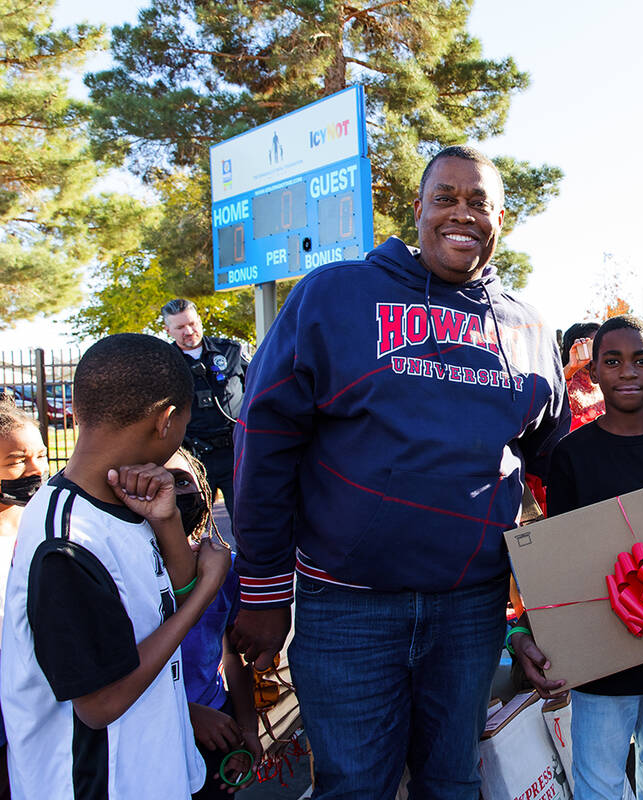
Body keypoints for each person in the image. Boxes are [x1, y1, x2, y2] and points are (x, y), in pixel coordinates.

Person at [229, 145, 569, 799]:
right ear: (417, 209)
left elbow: (562, 470)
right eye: (446, 197)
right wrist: (265, 593)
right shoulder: (336, 294)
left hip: (471, 609)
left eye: (480, 202)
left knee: (453, 781)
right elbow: (265, 439)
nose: (461, 214)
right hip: (347, 607)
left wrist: (545, 616)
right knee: (355, 786)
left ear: (501, 219)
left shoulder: (527, 327)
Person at [0, 333, 232, 799]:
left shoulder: (123, 499)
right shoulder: (67, 543)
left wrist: (167, 523)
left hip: (156, 771)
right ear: (167, 420)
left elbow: (170, 595)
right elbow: (100, 703)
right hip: (99, 785)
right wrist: (205, 594)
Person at [511, 314, 643, 800]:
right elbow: (563, 558)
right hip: (601, 648)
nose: (627, 372)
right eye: (613, 361)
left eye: (641, 361)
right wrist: (534, 631)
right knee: (597, 779)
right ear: (592, 372)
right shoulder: (571, 455)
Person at [172, 449, 262, 797]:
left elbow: (234, 657)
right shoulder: (121, 574)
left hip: (216, 733)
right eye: (159, 481)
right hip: (152, 731)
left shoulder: (225, 568)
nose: (174, 493)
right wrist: (186, 715)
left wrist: (246, 730)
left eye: (183, 481)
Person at [0, 398, 49, 799]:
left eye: (41, 456)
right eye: (17, 460)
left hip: (42, 709)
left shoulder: (46, 523)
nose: (35, 470)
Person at [161, 298, 247, 509]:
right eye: (180, 327)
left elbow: (258, 389)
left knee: (247, 521)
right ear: (168, 330)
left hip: (235, 452)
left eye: (192, 323)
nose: (188, 331)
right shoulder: (164, 362)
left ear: (199, 320)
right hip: (193, 456)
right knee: (192, 523)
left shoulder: (230, 351)